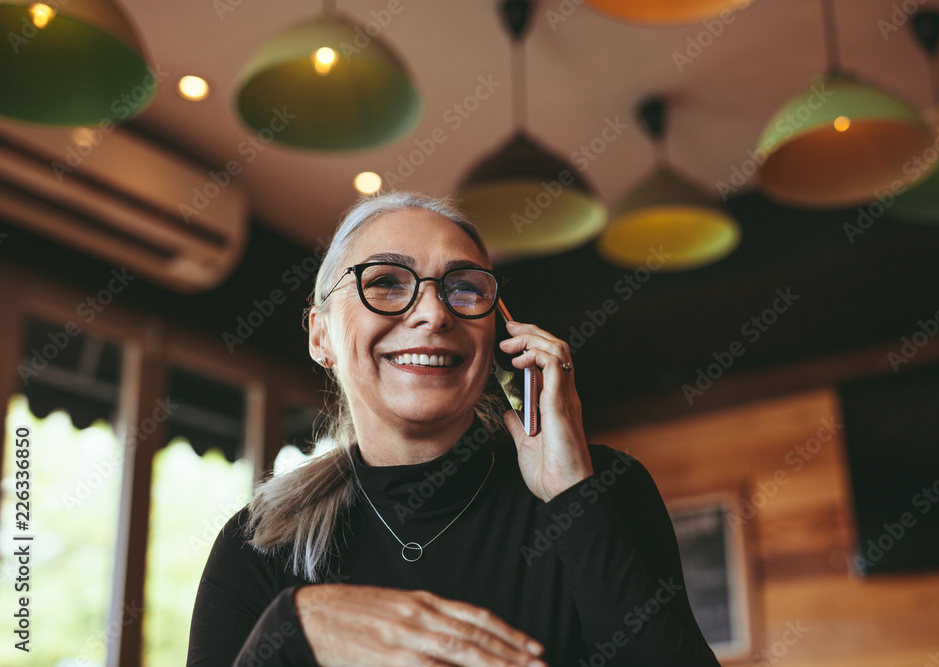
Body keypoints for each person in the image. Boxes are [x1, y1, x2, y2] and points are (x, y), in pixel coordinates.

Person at [187, 192, 720, 666]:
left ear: (498, 334)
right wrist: (294, 630)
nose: (434, 314)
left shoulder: (606, 485)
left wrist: (573, 497)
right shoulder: (259, 546)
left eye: (463, 288)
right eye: (386, 283)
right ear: (320, 336)